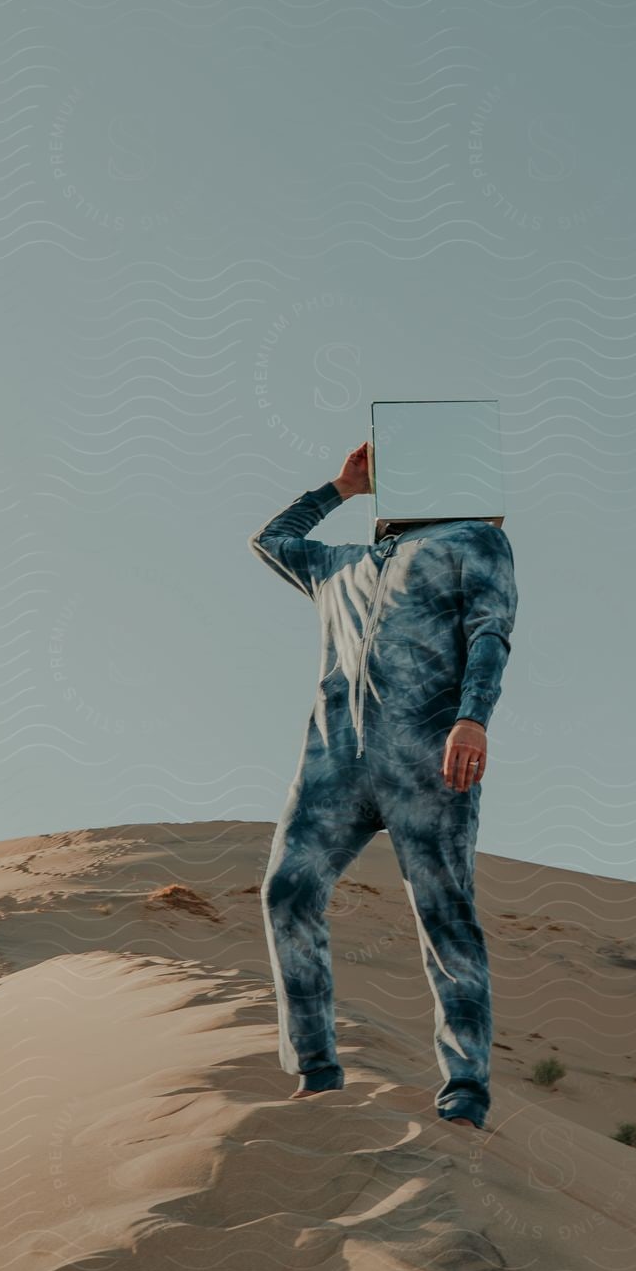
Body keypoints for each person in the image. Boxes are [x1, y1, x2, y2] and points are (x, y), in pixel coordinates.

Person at [248, 441, 518, 1131]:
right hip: (332, 765)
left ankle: (465, 1091)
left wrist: (473, 719)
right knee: (287, 890)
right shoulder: (338, 566)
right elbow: (271, 540)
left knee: (445, 917)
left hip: (430, 759)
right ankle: (316, 1069)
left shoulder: (474, 539)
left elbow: (491, 630)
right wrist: (340, 488)